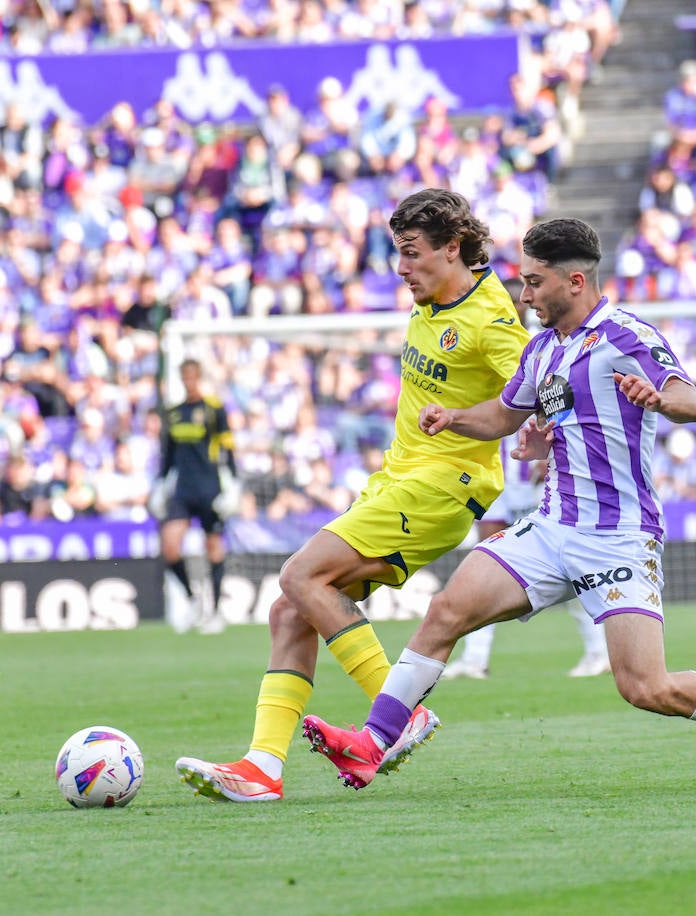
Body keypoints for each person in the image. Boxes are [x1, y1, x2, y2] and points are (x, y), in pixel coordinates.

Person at [300, 218, 696, 792]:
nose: (524, 295)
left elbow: (689, 400)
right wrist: (455, 417)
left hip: (618, 534)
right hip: (550, 528)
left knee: (646, 687)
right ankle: (371, 745)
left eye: (534, 283)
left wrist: (658, 398)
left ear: (575, 281)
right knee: (446, 611)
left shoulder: (626, 335)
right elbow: (504, 415)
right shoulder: (543, 348)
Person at [176, 188, 530, 802]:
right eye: (398, 253)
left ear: (452, 250)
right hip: (398, 479)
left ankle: (397, 714)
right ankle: (264, 767)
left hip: (445, 486)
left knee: (299, 576)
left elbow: (538, 388)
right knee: (292, 608)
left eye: (412, 254)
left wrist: (539, 437)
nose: (401, 268)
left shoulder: (491, 319)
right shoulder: (431, 301)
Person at [442, 426, 610, 680]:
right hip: (497, 478)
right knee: (484, 565)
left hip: (544, 479)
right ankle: (475, 658)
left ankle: (599, 653)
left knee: (574, 568)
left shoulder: (539, 389)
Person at [154, 358, 238, 634]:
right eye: (184, 377)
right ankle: (192, 600)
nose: (189, 381)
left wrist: (232, 485)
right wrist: (159, 484)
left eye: (192, 377)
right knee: (169, 546)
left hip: (210, 488)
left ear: (199, 377)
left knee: (213, 548)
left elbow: (228, 450)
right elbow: (168, 455)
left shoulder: (214, 410)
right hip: (183, 490)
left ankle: (214, 612)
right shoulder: (174, 412)